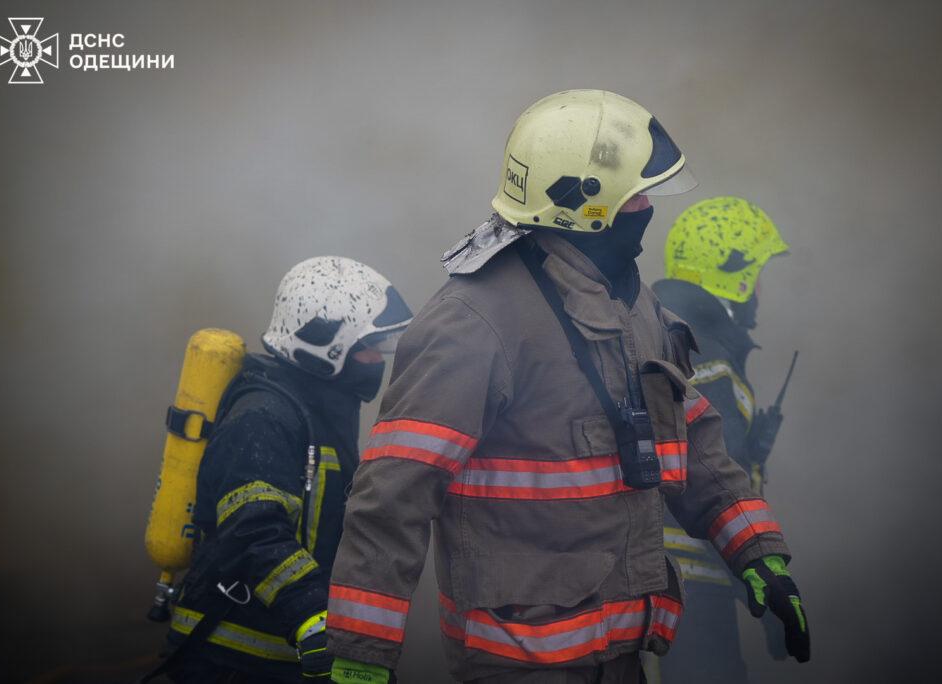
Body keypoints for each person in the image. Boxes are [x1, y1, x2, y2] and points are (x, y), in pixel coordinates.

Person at [325, 90, 810, 684]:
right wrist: (360, 657)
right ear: (584, 203)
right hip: (519, 664)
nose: (647, 205)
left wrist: (757, 552)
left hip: (622, 656)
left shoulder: (634, 306)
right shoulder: (474, 321)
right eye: (633, 193)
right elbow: (392, 495)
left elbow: (694, 443)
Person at [159, 256, 412, 683]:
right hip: (227, 656)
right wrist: (311, 615)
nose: (376, 360)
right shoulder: (264, 416)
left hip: (282, 656)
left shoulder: (320, 414)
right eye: (367, 347)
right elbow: (253, 531)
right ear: (327, 347)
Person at [653, 197, 793, 683]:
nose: (759, 293)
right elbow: (716, 482)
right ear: (736, 275)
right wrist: (768, 595)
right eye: (757, 274)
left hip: (665, 585)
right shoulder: (709, 363)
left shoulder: (670, 340)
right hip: (692, 591)